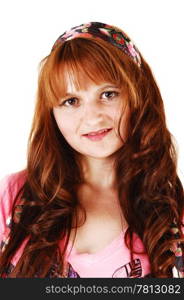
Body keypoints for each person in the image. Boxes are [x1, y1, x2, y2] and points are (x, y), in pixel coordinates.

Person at [0, 22, 184, 278]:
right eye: (71, 101)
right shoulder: (13, 196)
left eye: (108, 94)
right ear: (51, 113)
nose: (92, 117)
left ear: (137, 96)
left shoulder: (172, 211)